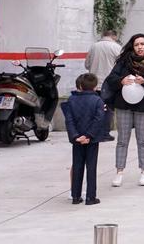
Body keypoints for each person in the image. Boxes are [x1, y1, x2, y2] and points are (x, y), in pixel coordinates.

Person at [102, 33, 144, 188]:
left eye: (142, 44)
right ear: (132, 47)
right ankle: (119, 172)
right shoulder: (123, 61)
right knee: (122, 140)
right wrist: (121, 80)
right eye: (136, 45)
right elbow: (111, 79)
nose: (139, 47)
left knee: (142, 140)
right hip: (123, 105)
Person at [61, 72, 106, 206]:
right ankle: (91, 197)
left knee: (77, 166)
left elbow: (69, 120)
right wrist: (89, 135)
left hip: (77, 139)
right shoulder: (97, 100)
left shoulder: (71, 100)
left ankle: (75, 196)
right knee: (91, 167)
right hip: (91, 139)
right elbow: (99, 120)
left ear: (79, 86)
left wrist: (76, 136)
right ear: (95, 86)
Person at [85, 29, 120, 141]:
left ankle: (93, 133)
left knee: (94, 109)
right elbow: (121, 66)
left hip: (93, 83)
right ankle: (104, 133)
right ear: (114, 36)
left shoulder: (93, 47)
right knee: (108, 109)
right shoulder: (116, 47)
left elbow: (87, 64)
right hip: (109, 84)